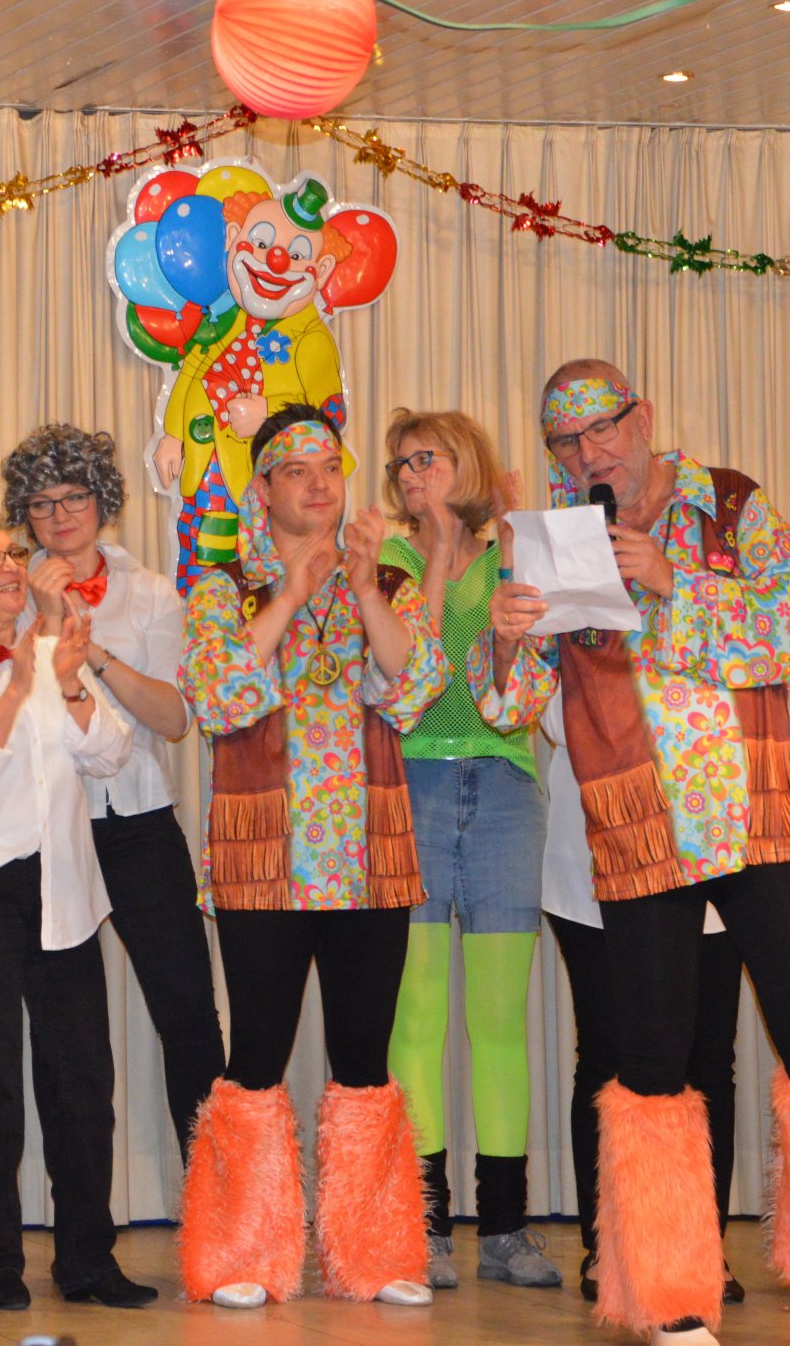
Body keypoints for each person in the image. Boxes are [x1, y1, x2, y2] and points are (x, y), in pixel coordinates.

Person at [477, 361, 790, 1346]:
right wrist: (504, 640)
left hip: (758, 812)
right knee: (653, 1064)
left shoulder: (736, 506)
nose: (590, 453)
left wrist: (672, 583)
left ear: (644, 418)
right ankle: (669, 1295)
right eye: (567, 442)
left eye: (603, 429)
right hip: (639, 827)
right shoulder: (553, 541)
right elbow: (511, 705)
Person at [176, 404, 446, 1312]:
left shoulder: (386, 577)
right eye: (295, 469)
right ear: (262, 489)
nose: (318, 483)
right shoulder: (223, 587)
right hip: (264, 859)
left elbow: (416, 690)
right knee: (256, 1053)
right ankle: (241, 1253)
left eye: (329, 466)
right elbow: (217, 696)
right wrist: (290, 594)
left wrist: (364, 591)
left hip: (369, 857)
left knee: (363, 1054)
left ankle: (373, 1254)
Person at [0, 510, 155, 1312]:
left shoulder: (54, 653)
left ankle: (87, 1261)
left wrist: (68, 681)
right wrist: (15, 688)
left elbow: (111, 753)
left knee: (83, 1082)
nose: (10, 565)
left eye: (12, 552)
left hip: (65, 885)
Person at [373, 408, 557, 1289]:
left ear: (469, 462)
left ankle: (507, 1229)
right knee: (415, 1013)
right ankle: (428, 1227)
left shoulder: (518, 553)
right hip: (411, 786)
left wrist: (499, 578)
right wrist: (440, 553)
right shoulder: (386, 561)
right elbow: (409, 678)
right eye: (401, 465)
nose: (412, 474)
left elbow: (522, 696)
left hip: (506, 789)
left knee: (498, 1019)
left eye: (429, 458)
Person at [2, 423, 223, 1152]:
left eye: (75, 497)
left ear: (103, 501)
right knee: (64, 1031)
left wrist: (90, 649)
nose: (60, 515)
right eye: (41, 503)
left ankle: (216, 1197)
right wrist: (41, 620)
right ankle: (80, 1211)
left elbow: (174, 718)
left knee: (187, 1013)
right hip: (45, 828)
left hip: (139, 823)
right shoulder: (5, 592)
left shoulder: (152, 592)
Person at [538, 710, 746, 1307]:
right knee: (608, 1057)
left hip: (712, 849)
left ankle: (703, 1247)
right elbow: (556, 717)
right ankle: (609, 1247)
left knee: (708, 1062)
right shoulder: (576, 635)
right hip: (596, 859)